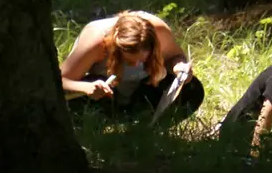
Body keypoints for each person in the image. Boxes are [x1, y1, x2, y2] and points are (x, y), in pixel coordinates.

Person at [60, 10, 204, 119]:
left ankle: (147, 126)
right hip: (105, 95)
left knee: (192, 89)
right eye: (129, 61)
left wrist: (179, 67)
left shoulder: (159, 31)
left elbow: (176, 56)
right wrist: (86, 88)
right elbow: (58, 80)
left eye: (142, 60)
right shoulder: (96, 42)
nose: (135, 65)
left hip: (143, 90)